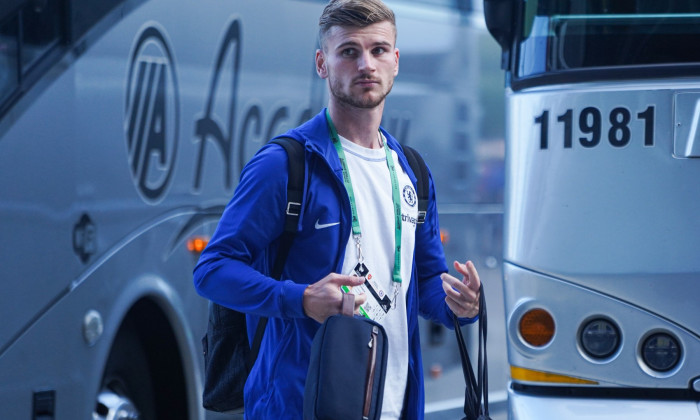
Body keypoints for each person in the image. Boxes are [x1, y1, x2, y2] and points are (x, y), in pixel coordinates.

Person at [193, 0, 481, 418]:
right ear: (322, 63)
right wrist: (300, 298)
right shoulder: (284, 165)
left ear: (396, 62)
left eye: (379, 50)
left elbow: (424, 283)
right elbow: (212, 270)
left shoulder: (413, 171)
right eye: (348, 51)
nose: (366, 64)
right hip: (299, 406)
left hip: (394, 404)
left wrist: (460, 305)